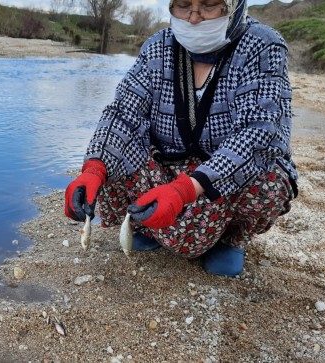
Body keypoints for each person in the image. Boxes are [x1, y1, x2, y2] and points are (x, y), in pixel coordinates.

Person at [64, 0, 298, 277]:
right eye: (183, 5)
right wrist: (94, 168)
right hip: (169, 165)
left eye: (210, 5)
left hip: (219, 176)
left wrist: (185, 189)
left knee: (268, 179)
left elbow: (260, 131)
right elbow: (124, 113)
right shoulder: (158, 47)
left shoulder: (262, 45)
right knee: (114, 154)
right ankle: (146, 226)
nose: (194, 18)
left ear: (234, 6)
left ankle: (230, 240)